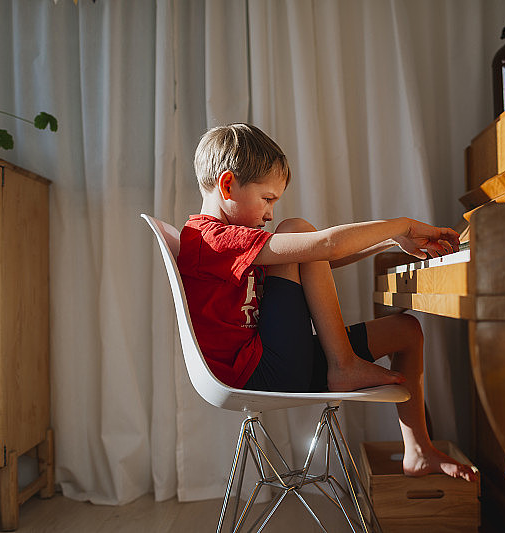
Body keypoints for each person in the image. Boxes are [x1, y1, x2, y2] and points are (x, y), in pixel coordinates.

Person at [178, 123, 476, 481]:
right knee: (298, 229)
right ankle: (344, 364)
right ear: (227, 185)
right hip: (260, 373)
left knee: (406, 331)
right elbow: (323, 245)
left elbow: (319, 260)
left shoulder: (230, 239)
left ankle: (419, 450)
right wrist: (402, 225)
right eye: (268, 199)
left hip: (276, 363)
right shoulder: (210, 240)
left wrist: (389, 243)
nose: (270, 213)